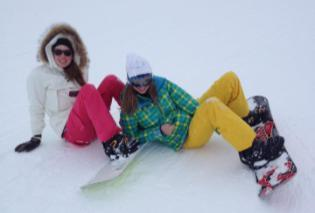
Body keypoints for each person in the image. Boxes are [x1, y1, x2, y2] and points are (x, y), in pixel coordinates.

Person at [120, 54, 284, 170]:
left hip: (191, 117)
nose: (142, 86)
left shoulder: (161, 84)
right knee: (212, 106)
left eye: (146, 80)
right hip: (185, 136)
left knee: (229, 79)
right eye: (137, 82)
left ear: (151, 76)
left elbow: (185, 100)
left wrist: (218, 120)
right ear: (129, 81)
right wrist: (160, 130)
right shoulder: (129, 104)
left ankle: (243, 120)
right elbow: (132, 136)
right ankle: (252, 150)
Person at [14, 24, 138, 160]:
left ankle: (140, 113)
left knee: (110, 81)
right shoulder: (38, 76)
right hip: (73, 131)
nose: (63, 56)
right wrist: (36, 136)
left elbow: (87, 102)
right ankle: (113, 144)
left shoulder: (80, 70)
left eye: (67, 52)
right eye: (58, 52)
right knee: (88, 90)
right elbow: (35, 106)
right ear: (50, 51)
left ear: (73, 54)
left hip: (90, 123)